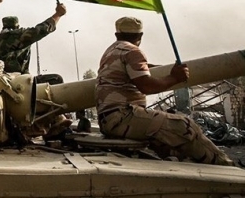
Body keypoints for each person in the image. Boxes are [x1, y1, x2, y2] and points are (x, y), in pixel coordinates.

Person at [95, 16, 233, 166]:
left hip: (110, 120)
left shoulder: (111, 52)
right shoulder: (132, 51)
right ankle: (225, 165)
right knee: (184, 126)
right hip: (122, 117)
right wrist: (175, 78)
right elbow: (147, 86)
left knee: (169, 139)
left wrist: (162, 70)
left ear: (117, 34)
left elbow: (139, 70)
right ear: (140, 35)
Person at [0, 3, 67, 74]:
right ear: (16, 27)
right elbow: (39, 31)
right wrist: (58, 15)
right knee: (56, 79)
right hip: (9, 82)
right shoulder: (13, 36)